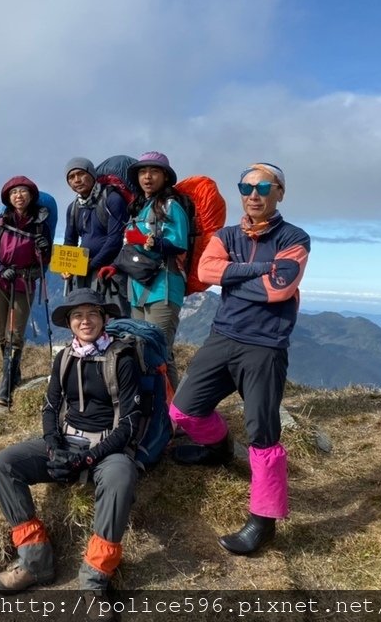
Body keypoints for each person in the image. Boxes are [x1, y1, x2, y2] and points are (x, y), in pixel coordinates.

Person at [168, 162, 310, 555]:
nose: (254, 194)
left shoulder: (295, 237)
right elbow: (205, 270)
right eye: (246, 187)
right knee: (183, 411)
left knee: (263, 437)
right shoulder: (226, 233)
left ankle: (263, 522)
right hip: (223, 337)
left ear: (280, 192)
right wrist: (260, 270)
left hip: (265, 346)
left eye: (264, 186)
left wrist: (235, 275)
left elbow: (278, 289)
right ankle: (217, 449)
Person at [0, 288, 142, 610]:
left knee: (121, 477)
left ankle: (95, 577)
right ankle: (35, 560)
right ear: (70, 323)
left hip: (106, 447)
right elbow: (49, 408)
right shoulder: (65, 357)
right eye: (77, 316)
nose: (85, 321)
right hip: (66, 441)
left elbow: (128, 424)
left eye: (92, 314)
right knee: (2, 464)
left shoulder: (123, 358)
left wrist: (86, 458)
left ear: (103, 318)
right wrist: (54, 448)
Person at [100, 151, 189, 387]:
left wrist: (153, 242)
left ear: (166, 177)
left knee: (158, 350)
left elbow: (180, 243)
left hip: (164, 285)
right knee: (141, 348)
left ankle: (171, 416)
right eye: (142, 172)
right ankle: (153, 409)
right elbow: (132, 248)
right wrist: (115, 267)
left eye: (154, 171)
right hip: (138, 287)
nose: (147, 177)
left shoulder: (171, 206)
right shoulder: (139, 208)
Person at [0, 175, 54, 406]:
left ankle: (5, 388)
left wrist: (44, 249)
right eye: (14, 192)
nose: (19, 196)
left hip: (24, 282)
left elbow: (45, 260)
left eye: (23, 191)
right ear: (8, 198)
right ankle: (13, 373)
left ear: (31, 195)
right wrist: (1, 270)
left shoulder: (40, 225)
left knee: (15, 333)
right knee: (2, 331)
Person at [62, 157, 131, 315]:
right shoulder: (73, 207)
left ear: (92, 174)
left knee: (114, 315)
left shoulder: (113, 199)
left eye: (80, 174)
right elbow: (70, 240)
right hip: (84, 270)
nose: (76, 180)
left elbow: (115, 239)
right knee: (87, 314)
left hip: (110, 269)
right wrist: (66, 266)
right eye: (71, 177)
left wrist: (90, 265)